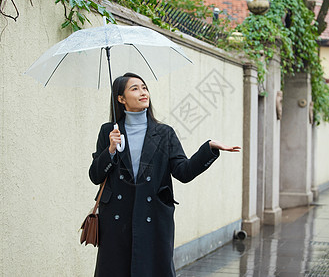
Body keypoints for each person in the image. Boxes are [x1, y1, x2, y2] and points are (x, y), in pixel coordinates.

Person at [89, 72, 240, 277]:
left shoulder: (164, 133)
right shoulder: (108, 131)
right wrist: (110, 151)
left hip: (153, 217)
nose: (143, 92)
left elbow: (183, 172)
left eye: (144, 87)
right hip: (116, 219)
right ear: (121, 98)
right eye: (135, 89)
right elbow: (95, 176)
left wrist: (209, 149)